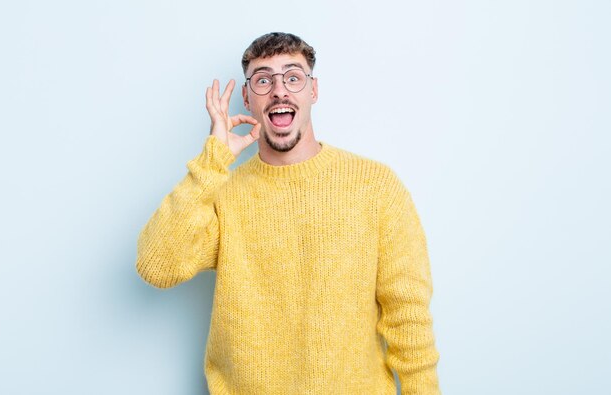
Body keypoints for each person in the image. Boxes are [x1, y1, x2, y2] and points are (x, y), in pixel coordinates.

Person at [136, 32, 440, 394]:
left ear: (313, 91)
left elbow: (408, 316)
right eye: (263, 79)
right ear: (247, 98)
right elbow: (157, 266)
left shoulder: (375, 186)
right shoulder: (222, 191)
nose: (279, 90)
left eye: (293, 77)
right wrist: (211, 161)